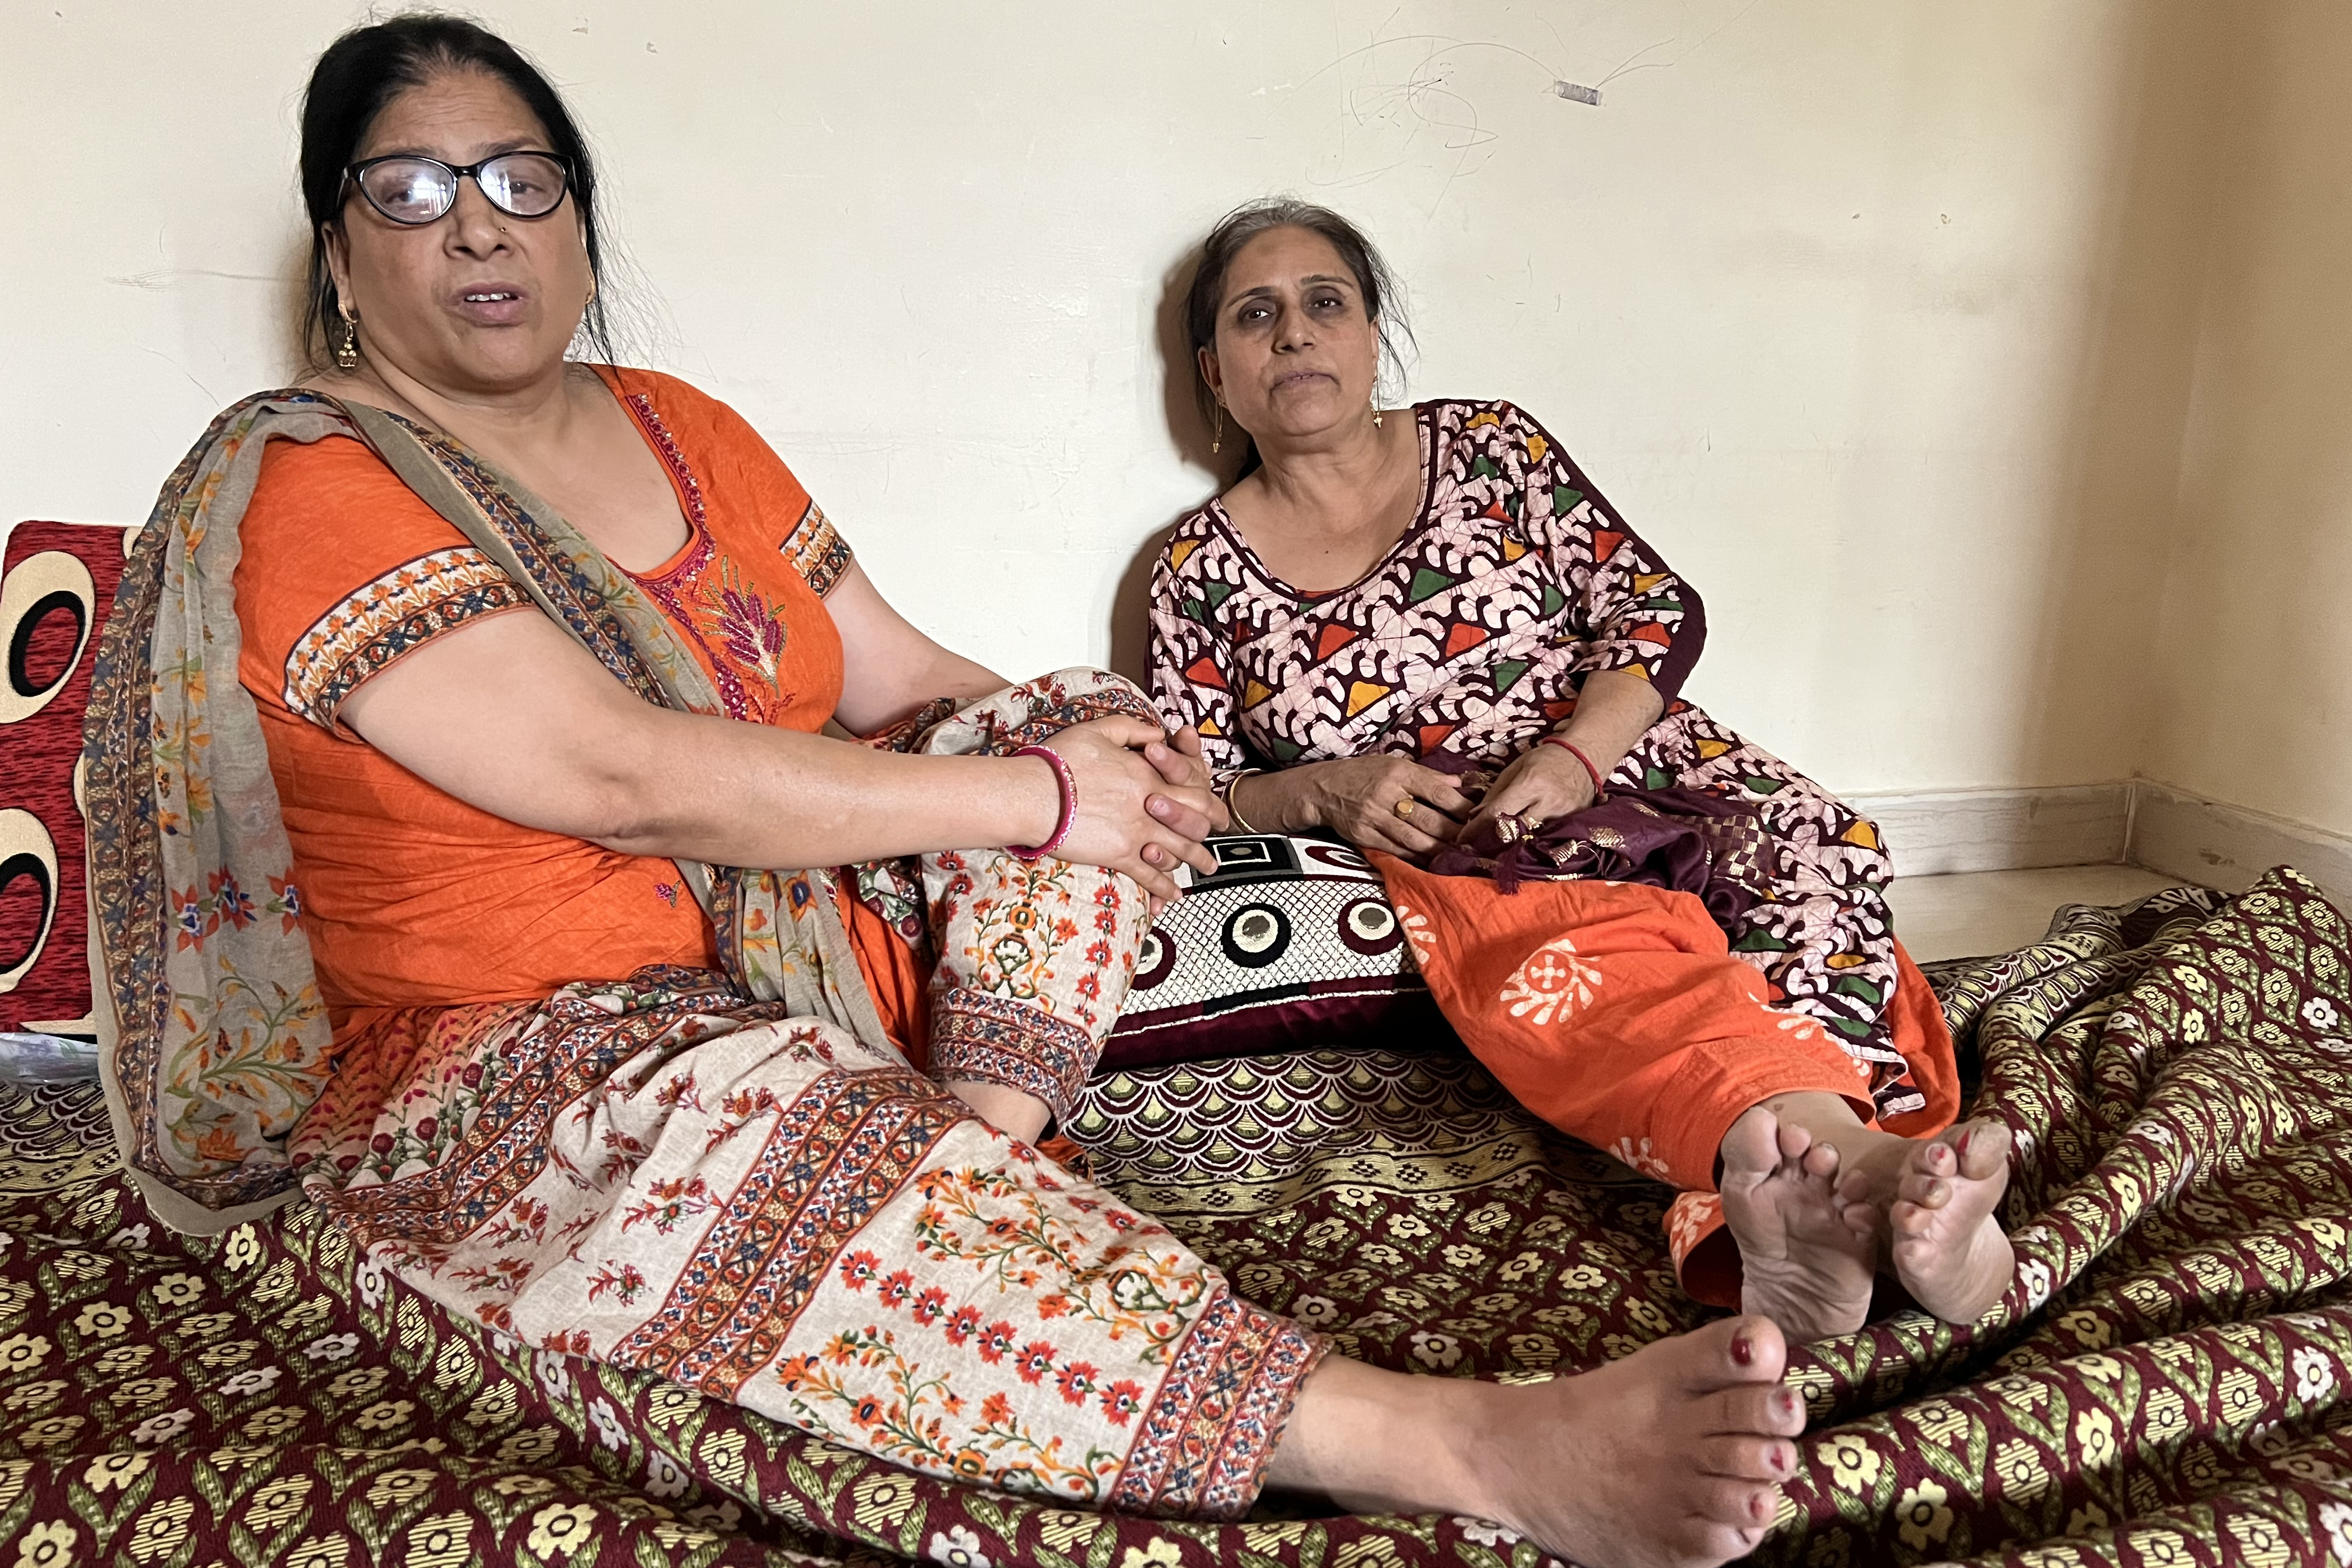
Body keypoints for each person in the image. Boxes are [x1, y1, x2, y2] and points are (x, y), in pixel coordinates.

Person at [85, 20, 1804, 1568]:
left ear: (578, 221)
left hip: (809, 974)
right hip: (520, 1051)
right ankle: (1458, 1442)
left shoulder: (685, 426)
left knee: (1073, 713)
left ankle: (974, 1155)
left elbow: (910, 675)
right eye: (414, 185)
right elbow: (621, 778)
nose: (480, 222)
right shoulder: (309, 483)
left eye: (524, 179)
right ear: (339, 243)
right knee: (876, 989)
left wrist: (1111, 755)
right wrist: (1034, 812)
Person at [1150, 198, 2015, 1342]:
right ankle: (1871, 1182)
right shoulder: (1197, 569)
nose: (1296, 334)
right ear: (1216, 371)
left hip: (1628, 759)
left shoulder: (1495, 447)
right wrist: (1324, 790)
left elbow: (1652, 615)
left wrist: (1572, 754)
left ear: (1371, 334)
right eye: (1256, 316)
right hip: (1472, 839)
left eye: (1327, 302)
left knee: (1816, 851)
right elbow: (1194, 790)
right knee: (1622, 959)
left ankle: (1834, 1191)